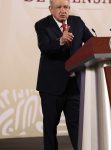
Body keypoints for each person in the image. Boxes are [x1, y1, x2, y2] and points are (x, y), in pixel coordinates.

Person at [34, 0, 93, 149]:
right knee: (50, 126)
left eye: (66, 7)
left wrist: (102, 45)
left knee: (77, 126)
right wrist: (60, 40)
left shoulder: (77, 22)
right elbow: (45, 47)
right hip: (51, 87)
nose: (63, 10)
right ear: (50, 9)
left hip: (74, 85)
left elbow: (92, 42)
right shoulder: (42, 25)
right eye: (58, 7)